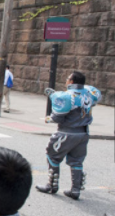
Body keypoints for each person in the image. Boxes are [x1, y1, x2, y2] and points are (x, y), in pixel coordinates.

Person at [36, 71, 101, 200]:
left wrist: (48, 118)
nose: (66, 80)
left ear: (71, 81)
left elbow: (57, 118)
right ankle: (75, 190)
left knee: (52, 156)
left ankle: (52, 186)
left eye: (67, 78)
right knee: (76, 161)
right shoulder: (90, 94)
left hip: (66, 133)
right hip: (83, 133)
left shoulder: (66, 96)